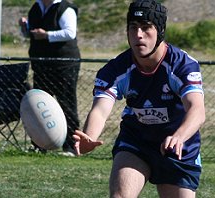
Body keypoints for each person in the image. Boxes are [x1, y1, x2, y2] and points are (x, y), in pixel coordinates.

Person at [73, 0, 205, 197]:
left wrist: (179, 136)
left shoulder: (181, 65)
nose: (138, 35)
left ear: (160, 30)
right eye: (133, 28)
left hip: (178, 145)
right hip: (137, 141)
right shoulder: (116, 69)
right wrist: (89, 137)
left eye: (146, 28)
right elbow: (100, 110)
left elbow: (197, 109)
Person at [18, 0, 80, 156]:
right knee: (39, 106)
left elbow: (70, 32)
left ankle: (71, 146)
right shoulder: (35, 8)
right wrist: (24, 28)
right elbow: (30, 35)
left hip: (63, 65)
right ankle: (39, 145)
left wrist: (46, 35)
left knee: (66, 103)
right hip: (41, 64)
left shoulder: (64, 8)